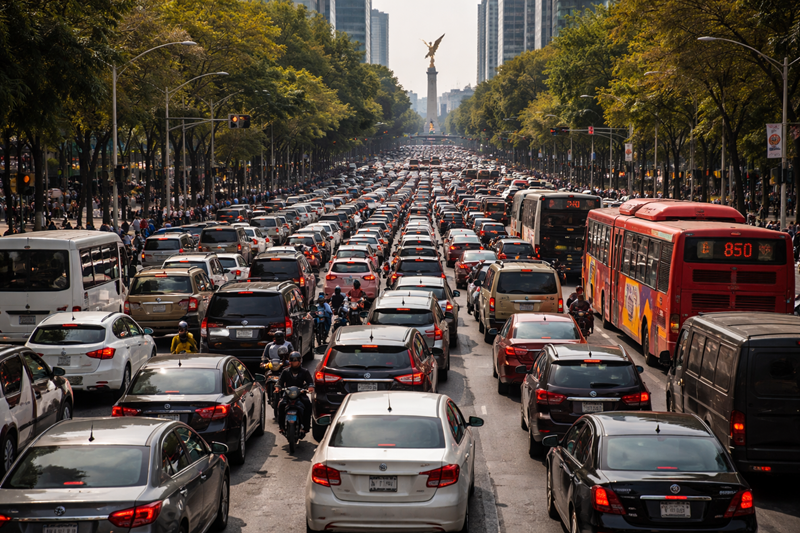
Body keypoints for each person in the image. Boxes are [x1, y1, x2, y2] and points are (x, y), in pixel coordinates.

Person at [276, 351, 314, 435]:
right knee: (281, 405)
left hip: (300, 394)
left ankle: (306, 427)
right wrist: (278, 387)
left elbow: (310, 382)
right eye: (292, 360)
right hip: (288, 394)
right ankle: (281, 427)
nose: (293, 362)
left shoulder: (305, 371)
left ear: (300, 361)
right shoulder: (285, 371)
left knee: (308, 404)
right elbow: (280, 381)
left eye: (296, 360)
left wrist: (310, 387)